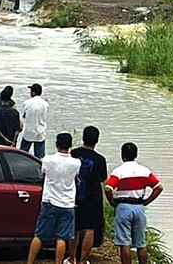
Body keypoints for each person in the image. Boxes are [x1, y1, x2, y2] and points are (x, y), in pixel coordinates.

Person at [26, 132, 81, 264]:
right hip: (67, 203)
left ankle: (30, 262)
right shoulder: (76, 163)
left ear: (56, 144)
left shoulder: (47, 160)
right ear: (70, 145)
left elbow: (43, 173)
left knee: (39, 235)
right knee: (61, 238)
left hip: (49, 201)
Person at [105, 143, 164, 264]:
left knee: (124, 243)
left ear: (122, 155)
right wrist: (146, 202)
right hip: (139, 207)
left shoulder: (118, 171)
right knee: (140, 244)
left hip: (123, 206)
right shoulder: (145, 171)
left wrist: (112, 201)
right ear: (136, 155)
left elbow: (108, 188)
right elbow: (158, 187)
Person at [67, 126, 108, 264]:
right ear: (97, 140)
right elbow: (102, 178)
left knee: (75, 228)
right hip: (93, 198)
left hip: (75, 195)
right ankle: (83, 261)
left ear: (83, 138)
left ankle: (71, 258)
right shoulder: (100, 159)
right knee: (90, 228)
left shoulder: (73, 153)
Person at [20, 83, 49, 159]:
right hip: (40, 131)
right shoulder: (45, 104)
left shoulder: (27, 102)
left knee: (22, 154)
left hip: (29, 131)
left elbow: (24, 116)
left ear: (33, 92)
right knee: (39, 157)